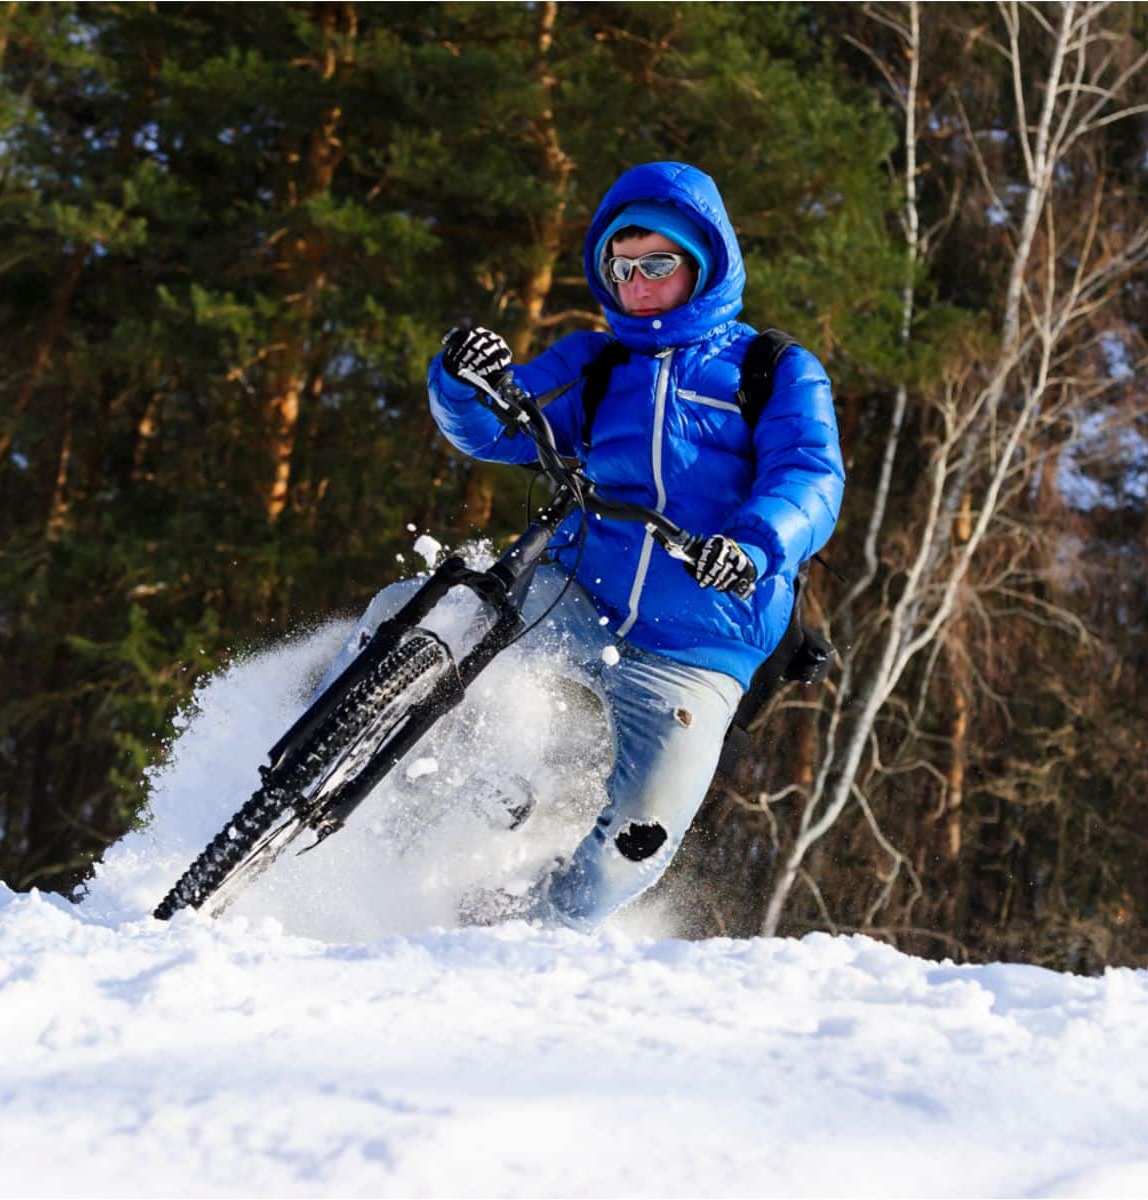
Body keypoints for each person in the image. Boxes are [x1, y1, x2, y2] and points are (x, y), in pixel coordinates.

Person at [356, 160, 844, 931]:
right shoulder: (596, 362)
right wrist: (463, 382)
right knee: (418, 615)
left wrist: (749, 547)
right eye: (622, 267)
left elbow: (811, 477)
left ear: (703, 263)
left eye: (657, 264)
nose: (638, 284)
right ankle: (352, 769)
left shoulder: (770, 369)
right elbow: (503, 428)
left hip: (700, 645)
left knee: (638, 839)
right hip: (578, 597)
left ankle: (530, 938)